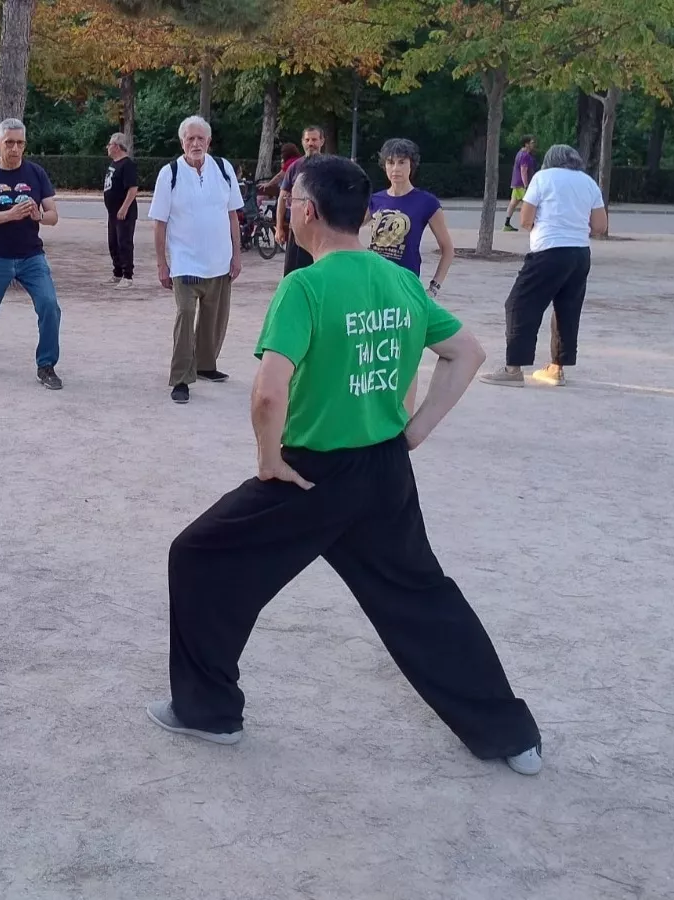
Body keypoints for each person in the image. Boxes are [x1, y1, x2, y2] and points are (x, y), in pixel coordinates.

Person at [146, 154, 543, 777]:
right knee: (422, 598)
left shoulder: (304, 285)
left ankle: (207, 710)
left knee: (197, 556)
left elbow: (268, 392)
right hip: (385, 472)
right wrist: (415, 432)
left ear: (305, 211)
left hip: (311, 475)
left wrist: (268, 459)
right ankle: (510, 735)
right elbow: (466, 353)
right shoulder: (400, 280)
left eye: (289, 202)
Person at [481, 145, 606, 388]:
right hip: (580, 254)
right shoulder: (588, 182)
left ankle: (513, 368)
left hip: (549, 250)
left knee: (519, 304)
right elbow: (600, 226)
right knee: (566, 308)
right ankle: (557, 368)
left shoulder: (542, 178)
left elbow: (525, 220)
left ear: (549, 160)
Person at [0, 118, 63, 390]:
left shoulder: (36, 173)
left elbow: (53, 215)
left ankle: (46, 365)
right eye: (9, 143)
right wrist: (10, 214)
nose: (15, 149)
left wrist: (38, 215)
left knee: (50, 305)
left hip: (30, 256)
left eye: (20, 143)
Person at [148, 115, 244, 404]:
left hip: (219, 260)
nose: (195, 143)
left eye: (200, 138)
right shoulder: (170, 173)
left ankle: (205, 365)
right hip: (185, 262)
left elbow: (232, 216)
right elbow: (159, 222)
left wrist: (236, 255)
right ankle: (180, 377)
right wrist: (162, 264)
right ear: (182, 142)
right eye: (190, 138)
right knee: (186, 313)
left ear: (209, 141)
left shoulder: (224, 169)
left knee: (214, 319)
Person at [368, 138, 454, 292]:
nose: (395, 168)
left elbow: (447, 249)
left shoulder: (427, 202)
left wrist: (434, 287)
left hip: (405, 284)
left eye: (402, 162)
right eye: (390, 162)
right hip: (373, 282)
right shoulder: (375, 200)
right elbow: (348, 230)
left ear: (411, 165)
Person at [275, 125, 326, 274]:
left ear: (322, 141)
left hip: (322, 230)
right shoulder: (294, 168)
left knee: (320, 273)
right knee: (294, 273)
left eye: (315, 139)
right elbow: (282, 198)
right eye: (307, 140)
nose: (311, 143)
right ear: (302, 142)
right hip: (298, 230)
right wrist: (279, 227)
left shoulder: (330, 167)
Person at [103, 132, 139, 287]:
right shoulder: (113, 164)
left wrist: (124, 208)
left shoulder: (127, 164)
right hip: (112, 213)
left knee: (124, 242)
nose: (108, 147)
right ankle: (117, 273)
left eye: (110, 144)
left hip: (124, 212)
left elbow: (133, 188)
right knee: (113, 243)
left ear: (116, 146)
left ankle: (127, 276)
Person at [503, 136, 538, 232]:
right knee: (530, 204)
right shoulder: (525, 155)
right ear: (526, 144)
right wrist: (526, 185)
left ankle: (507, 223)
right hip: (522, 185)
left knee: (513, 203)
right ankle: (531, 225)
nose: (533, 144)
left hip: (516, 183)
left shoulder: (520, 153)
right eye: (532, 142)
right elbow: (523, 170)